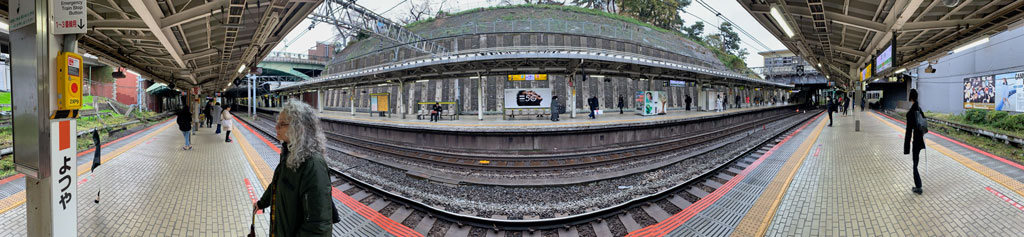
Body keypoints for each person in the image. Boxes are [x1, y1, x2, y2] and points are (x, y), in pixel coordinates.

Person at [255, 99, 333, 236]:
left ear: (299, 128)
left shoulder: (313, 166)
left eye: (282, 124)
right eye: (277, 123)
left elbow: (318, 227)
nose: (276, 127)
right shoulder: (289, 152)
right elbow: (278, 183)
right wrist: (261, 203)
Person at [904, 89, 926, 195]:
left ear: (910, 98)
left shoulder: (911, 112)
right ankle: (918, 185)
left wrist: (906, 148)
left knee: (915, 164)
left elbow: (908, 132)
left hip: (915, 141)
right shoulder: (919, 109)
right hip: (920, 139)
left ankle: (918, 186)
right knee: (915, 163)